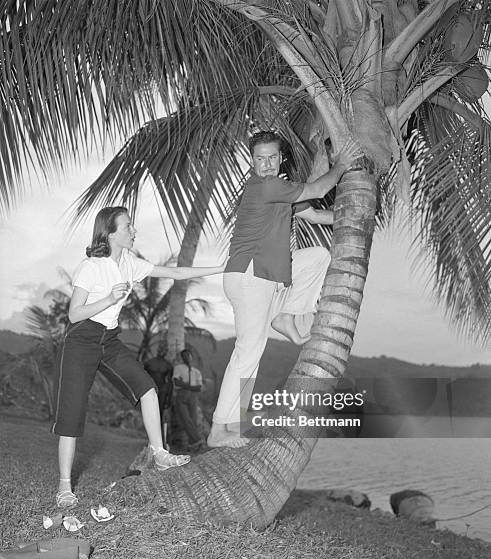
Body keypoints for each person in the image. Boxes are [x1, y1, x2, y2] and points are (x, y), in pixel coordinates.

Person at [51, 206, 224, 508]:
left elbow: (176, 273)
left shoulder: (130, 263)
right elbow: (74, 313)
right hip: (81, 339)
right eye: (128, 226)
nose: (133, 231)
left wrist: (223, 267)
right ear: (111, 232)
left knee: (147, 388)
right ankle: (65, 486)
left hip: (110, 338)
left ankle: (160, 453)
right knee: (72, 412)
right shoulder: (91, 266)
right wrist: (108, 299)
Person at [207, 131, 362, 448]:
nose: (264, 164)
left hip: (263, 276)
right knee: (248, 352)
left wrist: (356, 215)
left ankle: (287, 317)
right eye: (258, 158)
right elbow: (320, 188)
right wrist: (342, 164)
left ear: (281, 159)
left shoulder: (282, 192)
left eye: (270, 157)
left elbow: (318, 215)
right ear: (253, 161)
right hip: (250, 274)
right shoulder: (267, 186)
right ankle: (219, 429)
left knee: (317, 257)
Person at [173, 349, 205, 451]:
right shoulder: (178, 368)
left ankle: (193, 445)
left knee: (193, 420)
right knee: (185, 419)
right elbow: (177, 383)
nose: (187, 357)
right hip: (181, 395)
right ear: (182, 358)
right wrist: (191, 386)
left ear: (191, 357)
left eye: (188, 355)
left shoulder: (196, 372)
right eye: (185, 356)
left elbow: (199, 388)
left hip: (193, 396)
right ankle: (198, 440)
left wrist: (185, 385)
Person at [143, 345, 174, 450]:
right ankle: (152, 441)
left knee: (159, 416)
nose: (162, 351)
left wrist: (168, 399)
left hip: (162, 392)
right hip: (150, 390)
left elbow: (170, 383)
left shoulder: (168, 365)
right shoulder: (148, 363)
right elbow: (143, 377)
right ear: (158, 350)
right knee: (150, 414)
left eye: (164, 350)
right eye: (161, 349)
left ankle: (159, 443)